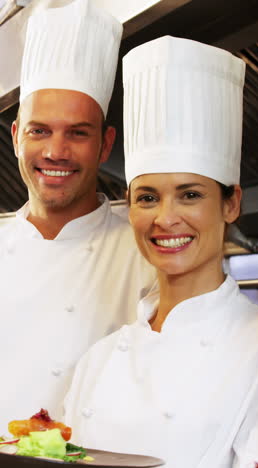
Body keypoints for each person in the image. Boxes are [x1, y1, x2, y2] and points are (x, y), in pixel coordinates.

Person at [64, 37, 258, 468]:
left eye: (189, 195)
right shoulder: (98, 359)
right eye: (148, 197)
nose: (165, 218)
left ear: (230, 204)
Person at [0, 0, 156, 434]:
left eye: (78, 133)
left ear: (106, 146)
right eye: (39, 130)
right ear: (16, 137)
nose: (55, 152)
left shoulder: (148, 258)